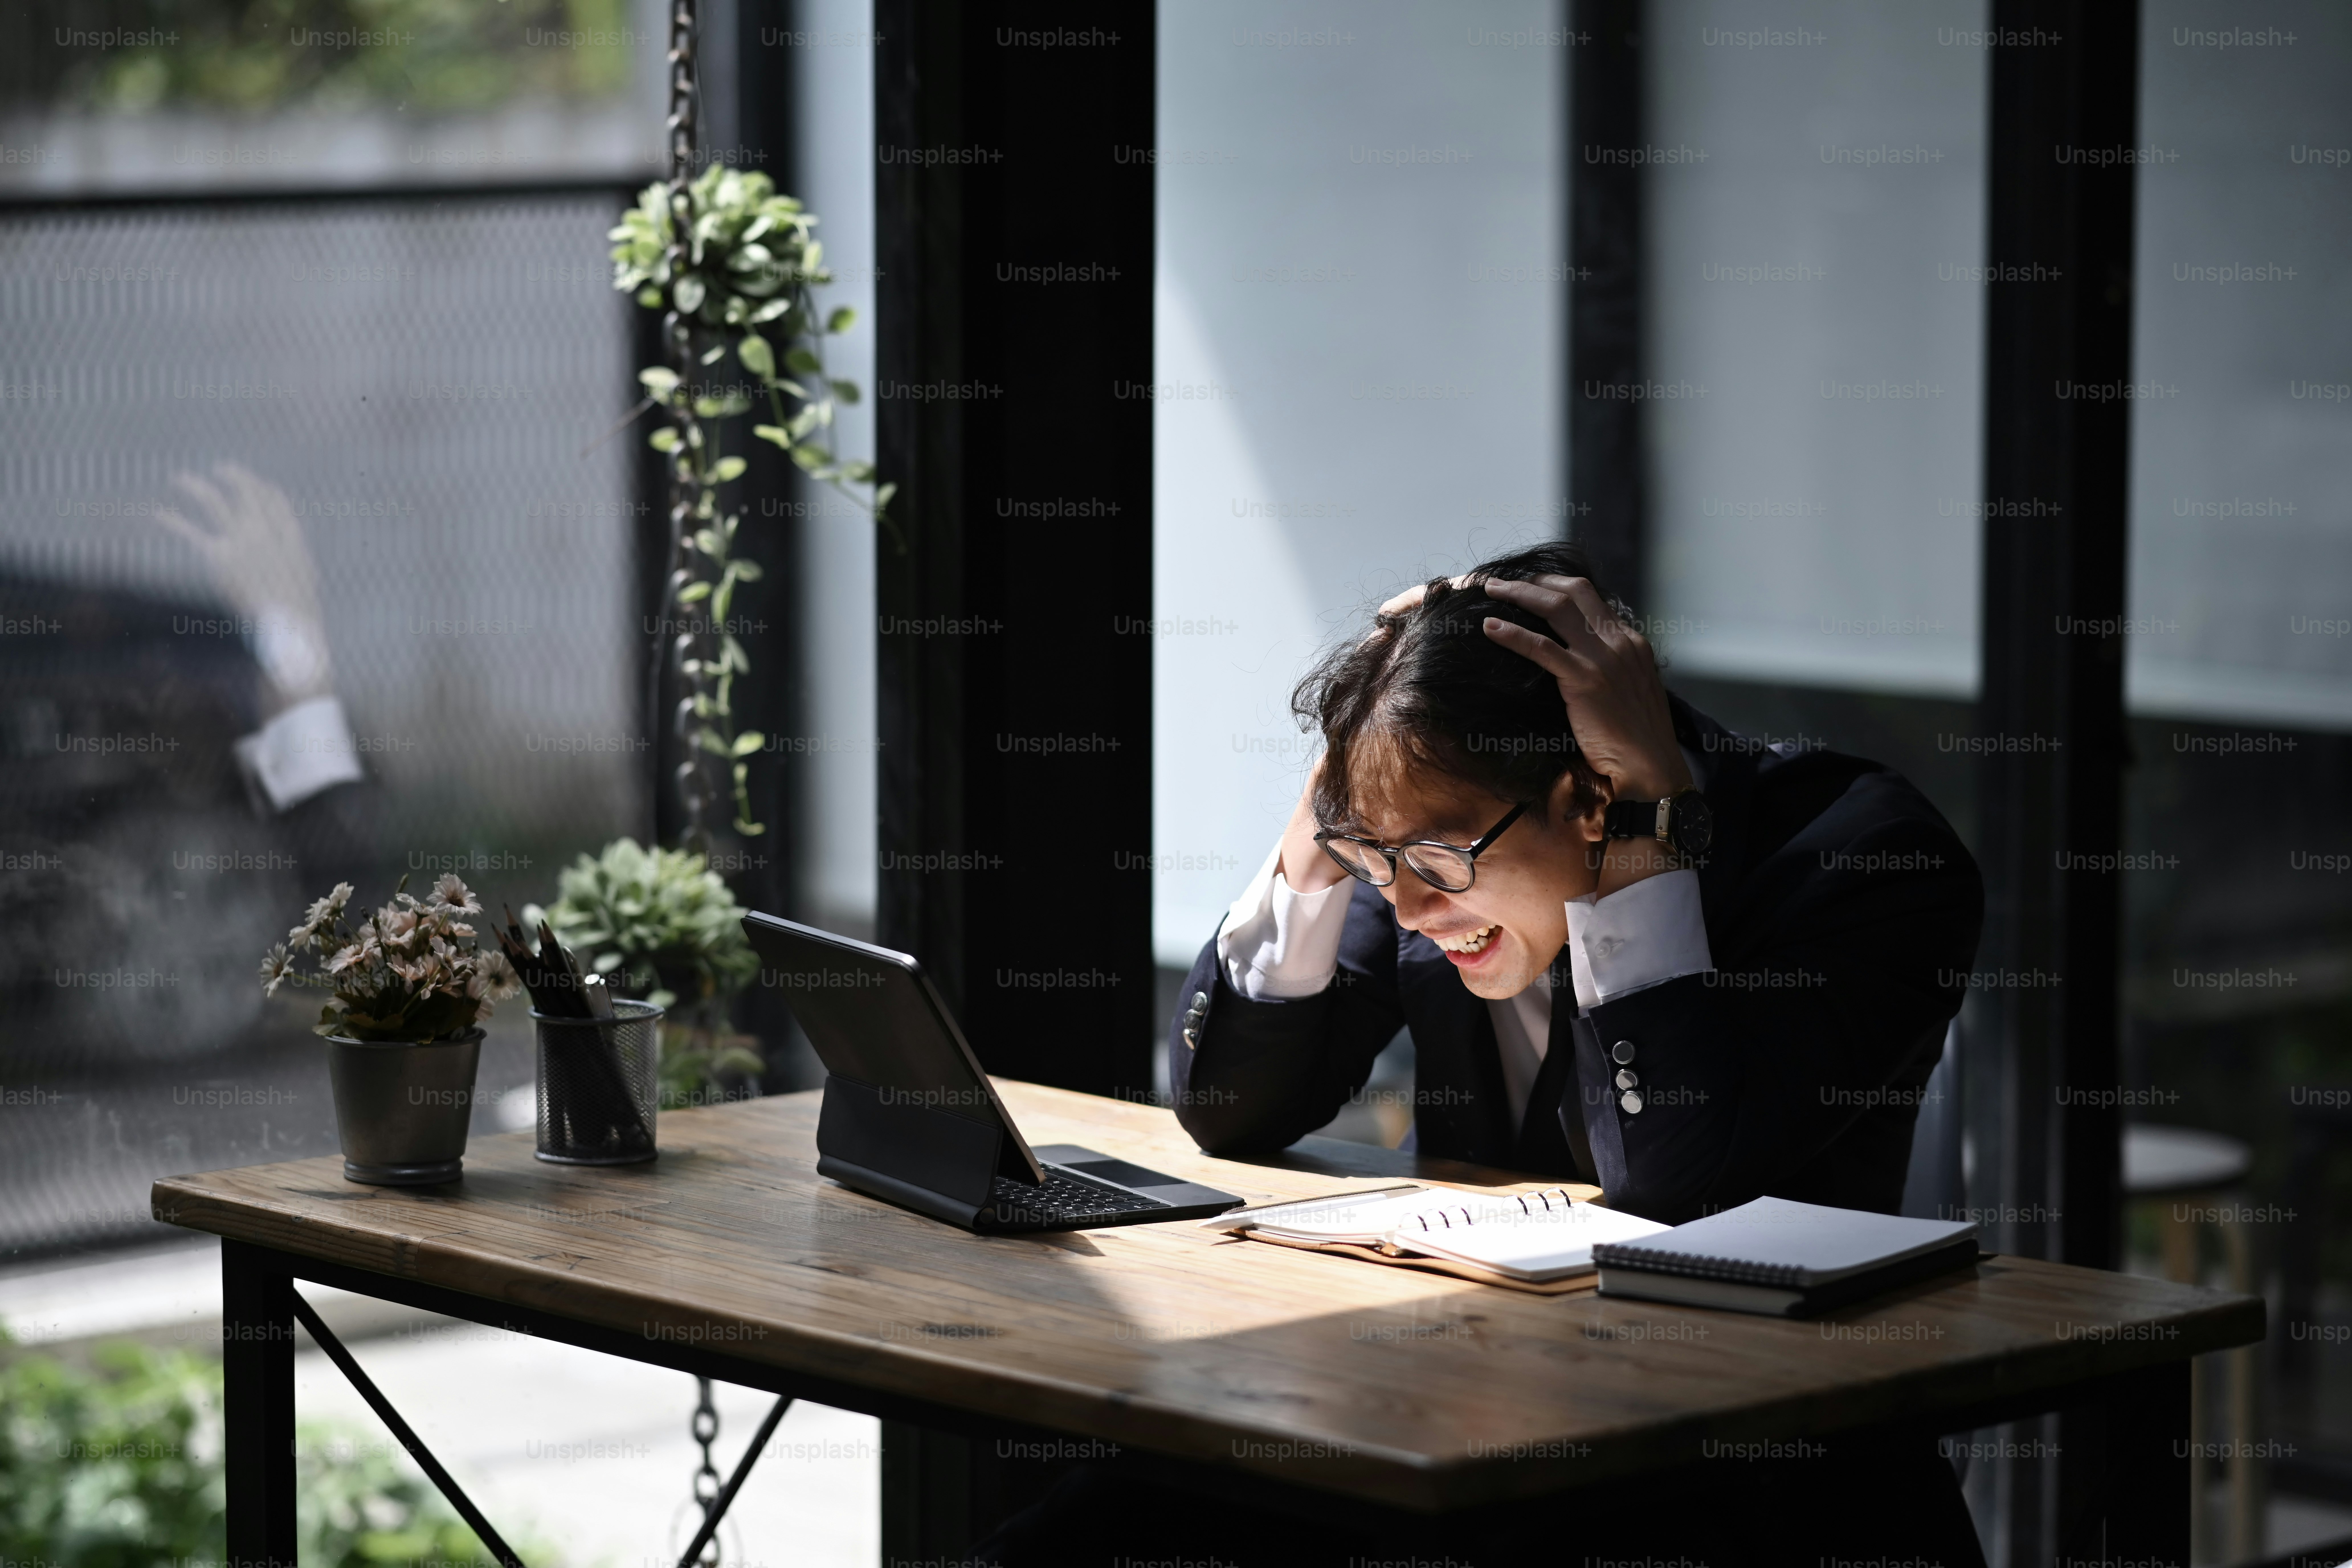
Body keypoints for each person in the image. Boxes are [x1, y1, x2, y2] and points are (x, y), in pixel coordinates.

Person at [975, 541, 1988, 1567]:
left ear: (1588, 798)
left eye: (1432, 861)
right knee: (1104, 1519)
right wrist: (1341, 798)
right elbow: (1235, 1105)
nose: (1409, 908)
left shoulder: (1865, 858)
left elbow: (1674, 1185)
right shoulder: (1434, 852)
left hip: (1731, 1475)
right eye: (1378, 860)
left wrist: (1646, 831)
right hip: (1442, 1401)